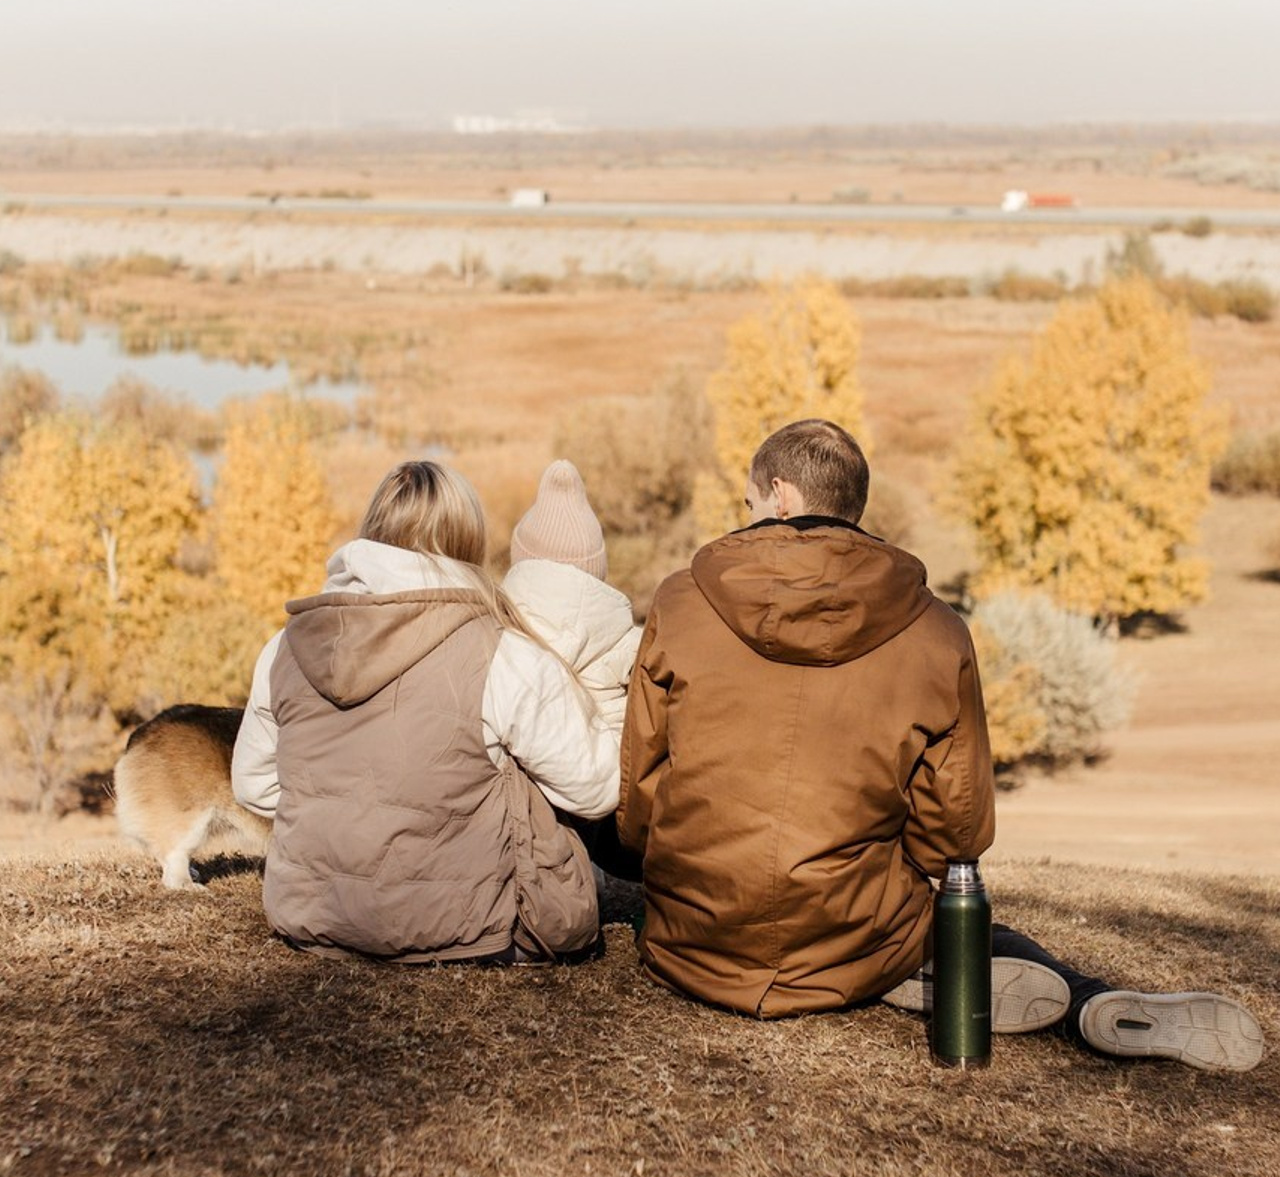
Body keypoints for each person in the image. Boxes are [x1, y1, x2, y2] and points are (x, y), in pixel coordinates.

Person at [617, 418, 1263, 1072]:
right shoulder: (935, 627)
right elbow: (956, 835)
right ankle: (1085, 999)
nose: (748, 516)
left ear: (781, 497)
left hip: (693, 940)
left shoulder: (680, 601)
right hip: (855, 934)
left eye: (750, 502)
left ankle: (921, 971)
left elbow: (640, 789)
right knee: (958, 924)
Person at [231, 459, 619, 965]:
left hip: (311, 918)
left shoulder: (284, 647)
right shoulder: (501, 653)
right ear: (467, 541)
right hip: (466, 931)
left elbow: (253, 786)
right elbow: (596, 789)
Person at [503, 459, 642, 733]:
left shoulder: (492, 636)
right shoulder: (636, 646)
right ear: (596, 569)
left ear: (520, 561)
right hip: (619, 771)